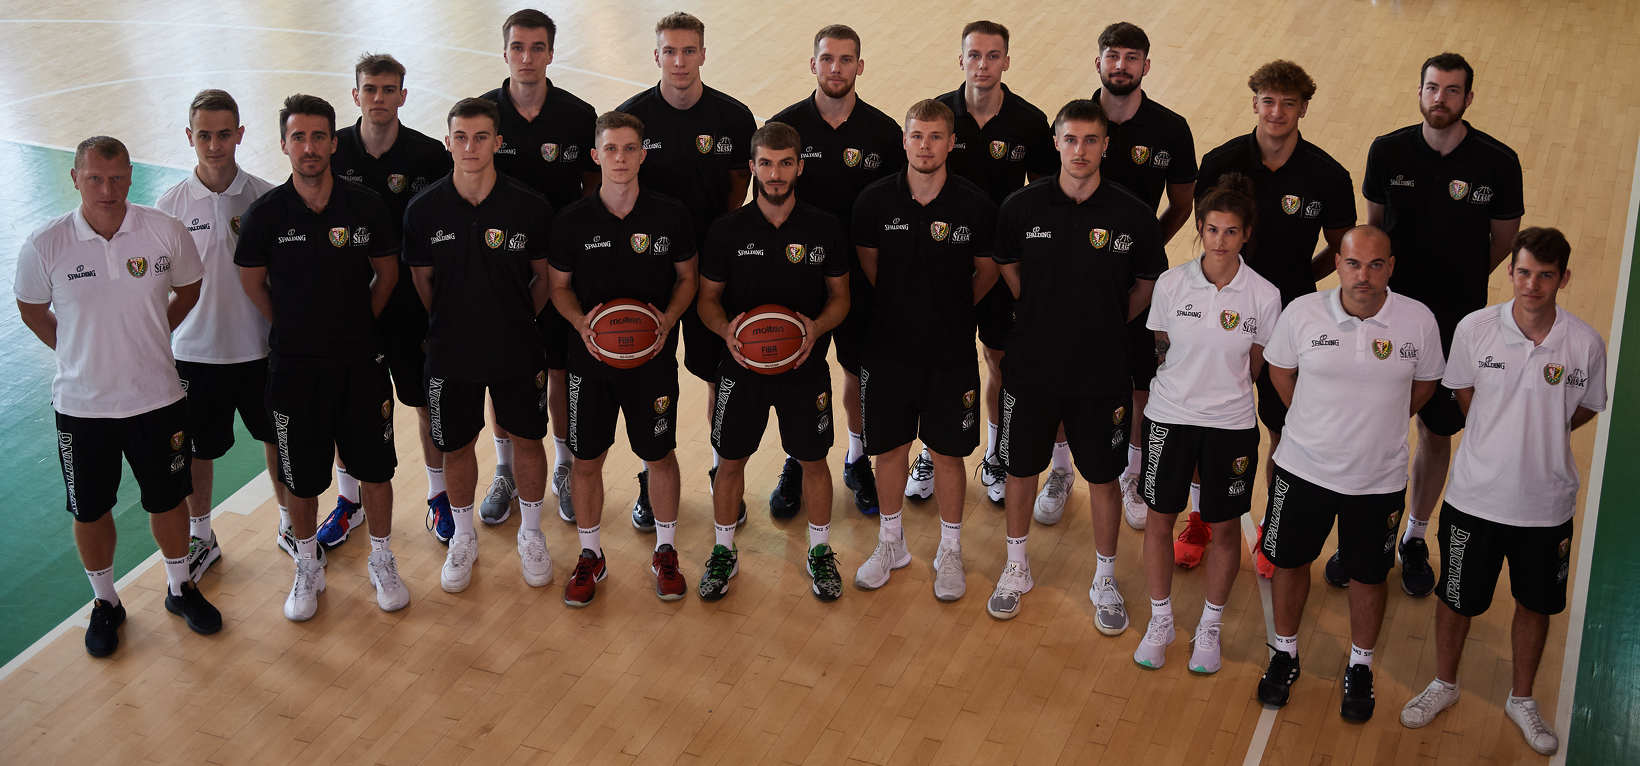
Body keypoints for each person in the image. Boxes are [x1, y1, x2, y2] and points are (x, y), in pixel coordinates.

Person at [1399, 227, 1602, 757]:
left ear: (1563, 278)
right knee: (1455, 600)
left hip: (1546, 508)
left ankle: (1522, 698)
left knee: (1535, 606)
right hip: (1474, 500)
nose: (1532, 285)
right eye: (1524, 273)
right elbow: (1465, 395)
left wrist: (1540, 428)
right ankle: (1444, 683)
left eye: (1545, 276)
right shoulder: (1475, 329)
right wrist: (1506, 429)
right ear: (1509, 272)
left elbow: (1584, 407)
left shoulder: (1584, 344)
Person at [15, 135, 221, 656]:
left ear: (130, 176)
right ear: (75, 178)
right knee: (89, 511)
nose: (107, 190)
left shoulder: (163, 230)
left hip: (158, 399)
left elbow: (190, 288)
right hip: (82, 409)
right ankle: (106, 602)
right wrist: (75, 351)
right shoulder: (46, 244)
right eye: (95, 179)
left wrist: (155, 333)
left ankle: (180, 587)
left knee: (168, 500)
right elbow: (31, 308)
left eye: (117, 178)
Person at [1345, 52, 1525, 597]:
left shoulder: (1498, 161)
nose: (1439, 99)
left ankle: (1415, 535)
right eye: (1432, 88)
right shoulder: (1388, 150)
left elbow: (1503, 241)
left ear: (1468, 98)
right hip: (1388, 315)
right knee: (1373, 420)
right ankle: (1362, 535)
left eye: (1451, 90)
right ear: (1419, 92)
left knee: (1436, 430)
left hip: (1456, 322)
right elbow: (1374, 232)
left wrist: (1461, 279)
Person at [987, 99, 1164, 632]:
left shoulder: (1132, 214)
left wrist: (1105, 320)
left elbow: (1146, 284)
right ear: (1056, 143)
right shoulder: (1021, 207)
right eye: (1070, 139)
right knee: (1021, 469)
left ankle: (1105, 576)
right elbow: (1007, 265)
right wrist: (1043, 312)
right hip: (1031, 367)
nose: (1080, 150)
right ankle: (1016, 567)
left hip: (1101, 370)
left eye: (1090, 140)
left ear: (1105, 145)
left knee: (1104, 477)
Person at [1254, 226, 1444, 722]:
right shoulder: (1302, 313)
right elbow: (1280, 372)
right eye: (1354, 264)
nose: (1364, 276)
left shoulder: (1418, 321)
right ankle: (1284, 652)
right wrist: (1310, 419)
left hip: (1377, 481)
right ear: (1337, 264)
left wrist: (1382, 421)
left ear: (1391, 267)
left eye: (1376, 265)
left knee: (1369, 576)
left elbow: (1425, 384)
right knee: (1290, 564)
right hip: (1302, 470)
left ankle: (1361, 665)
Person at [235, 94, 407, 621]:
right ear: (284, 144)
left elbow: (387, 275)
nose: (308, 147)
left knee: (375, 471)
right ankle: (308, 566)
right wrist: (294, 329)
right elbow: (253, 283)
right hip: (294, 371)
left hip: (360, 366)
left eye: (318, 137)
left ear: (334, 142)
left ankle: (382, 559)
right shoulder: (265, 215)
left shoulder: (366, 206)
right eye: (298, 137)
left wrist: (356, 326)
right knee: (302, 480)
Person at [1196, 60, 1354, 575]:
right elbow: (1208, 236)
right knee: (1206, 422)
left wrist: (1299, 280)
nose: (1277, 112)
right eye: (1268, 101)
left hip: (1290, 320)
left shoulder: (1328, 176)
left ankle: (1274, 524)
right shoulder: (1220, 161)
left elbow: (1342, 251)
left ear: (1304, 108)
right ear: (1255, 103)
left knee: (1282, 427)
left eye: (1288, 103)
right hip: (1221, 314)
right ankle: (1199, 519)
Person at [402, 97, 555, 593]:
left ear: (497, 142)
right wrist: (457, 322)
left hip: (517, 346)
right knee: (457, 445)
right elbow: (423, 282)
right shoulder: (424, 210)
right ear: (448, 142)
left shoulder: (528, 206)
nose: (471, 147)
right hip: (451, 351)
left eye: (481, 137)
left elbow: (543, 278)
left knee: (528, 439)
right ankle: (463, 537)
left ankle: (531, 534)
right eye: (461, 138)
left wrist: (515, 318)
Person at [1131, 173, 1281, 672]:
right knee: (1159, 519)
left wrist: (1218, 389)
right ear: (1200, 229)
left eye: (1231, 231)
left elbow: (1255, 363)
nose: (1220, 240)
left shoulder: (1264, 295)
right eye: (1212, 229)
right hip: (1169, 419)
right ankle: (1161, 619)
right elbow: (1161, 349)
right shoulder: (1172, 284)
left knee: (1223, 526)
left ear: (1246, 234)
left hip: (1231, 426)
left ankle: (1210, 625)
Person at [695, 122, 850, 602]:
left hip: (805, 368)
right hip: (740, 370)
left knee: (814, 461)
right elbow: (707, 300)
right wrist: (727, 332)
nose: (775, 174)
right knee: (729, 462)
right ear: (752, 167)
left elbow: (841, 298)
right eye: (765, 163)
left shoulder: (824, 227)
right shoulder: (726, 230)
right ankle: (724, 551)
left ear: (800, 166)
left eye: (785, 163)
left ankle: (820, 550)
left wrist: (815, 329)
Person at [850, 99, 997, 600]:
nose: (925, 146)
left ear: (951, 143)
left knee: (948, 455)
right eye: (917, 136)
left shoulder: (975, 205)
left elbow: (986, 270)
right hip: (887, 349)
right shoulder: (874, 201)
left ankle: (950, 550)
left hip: (949, 352)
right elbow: (870, 264)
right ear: (904, 140)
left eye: (936, 137)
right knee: (890, 451)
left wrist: (949, 309)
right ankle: (891, 543)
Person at [549, 110, 698, 605]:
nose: (620, 158)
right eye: (610, 149)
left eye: (629, 148)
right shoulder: (572, 220)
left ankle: (666, 551)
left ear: (643, 154)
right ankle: (590, 554)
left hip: (652, 362)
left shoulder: (671, 215)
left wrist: (668, 319)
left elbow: (688, 278)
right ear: (596, 155)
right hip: (589, 364)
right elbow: (558, 287)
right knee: (586, 459)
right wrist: (580, 324)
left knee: (659, 455)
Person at [617, 11, 756, 523]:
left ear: (703, 54)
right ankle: (650, 478)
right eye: (670, 51)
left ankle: (723, 474)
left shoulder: (733, 117)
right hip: (649, 274)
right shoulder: (633, 118)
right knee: (648, 378)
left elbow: (740, 184)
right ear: (657, 56)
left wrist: (713, 242)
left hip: (714, 273)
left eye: (688, 50)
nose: (679, 61)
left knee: (719, 375)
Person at [768, 23, 905, 519]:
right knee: (796, 373)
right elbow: (766, 200)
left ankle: (855, 457)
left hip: (860, 279)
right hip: (797, 277)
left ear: (859, 67)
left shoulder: (884, 133)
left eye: (846, 59)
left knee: (856, 372)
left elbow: (895, 208)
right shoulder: (785, 127)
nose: (835, 68)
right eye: (827, 58)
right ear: (813, 64)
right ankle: (797, 459)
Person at [475, 9, 599, 529]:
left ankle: (564, 468)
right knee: (502, 372)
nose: (527, 57)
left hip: (562, 272)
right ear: (504, 52)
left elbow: (592, 188)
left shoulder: (578, 115)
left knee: (560, 372)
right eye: (518, 47)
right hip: (501, 272)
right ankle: (505, 470)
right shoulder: (483, 115)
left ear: (551, 52)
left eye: (537, 47)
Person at [154, 89, 284, 581]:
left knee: (277, 440)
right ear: (189, 136)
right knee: (196, 452)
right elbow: (158, 288)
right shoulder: (168, 207)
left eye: (224, 134)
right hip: (195, 355)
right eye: (204, 135)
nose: (214, 145)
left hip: (261, 349)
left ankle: (291, 524)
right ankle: (202, 536)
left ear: (240, 135)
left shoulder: (266, 199)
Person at [326, 52, 453, 548]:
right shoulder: (333, 150)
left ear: (403, 95)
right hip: (350, 308)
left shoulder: (429, 156)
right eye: (369, 89)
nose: (378, 98)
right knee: (347, 406)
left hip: (411, 308)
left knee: (424, 403)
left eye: (388, 89)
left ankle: (439, 496)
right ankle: (349, 501)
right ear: (355, 94)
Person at [933, 20, 1056, 507]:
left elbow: (1044, 196)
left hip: (1003, 264)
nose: (982, 65)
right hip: (946, 260)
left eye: (992, 56)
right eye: (974, 55)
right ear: (960, 59)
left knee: (998, 360)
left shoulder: (1030, 121)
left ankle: (998, 451)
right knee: (939, 360)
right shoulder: (939, 113)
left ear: (1006, 61)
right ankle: (934, 450)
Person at [1085, 21, 1198, 535]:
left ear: (1146, 66)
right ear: (1099, 62)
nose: (1121, 66)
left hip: (1139, 279)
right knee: (1066, 370)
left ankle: (1133, 475)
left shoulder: (1171, 129)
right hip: (1077, 272)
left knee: (1139, 384)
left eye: (1132, 58)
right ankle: (1061, 471)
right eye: (1113, 56)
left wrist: (1148, 245)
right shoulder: (1077, 119)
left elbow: (1182, 203)